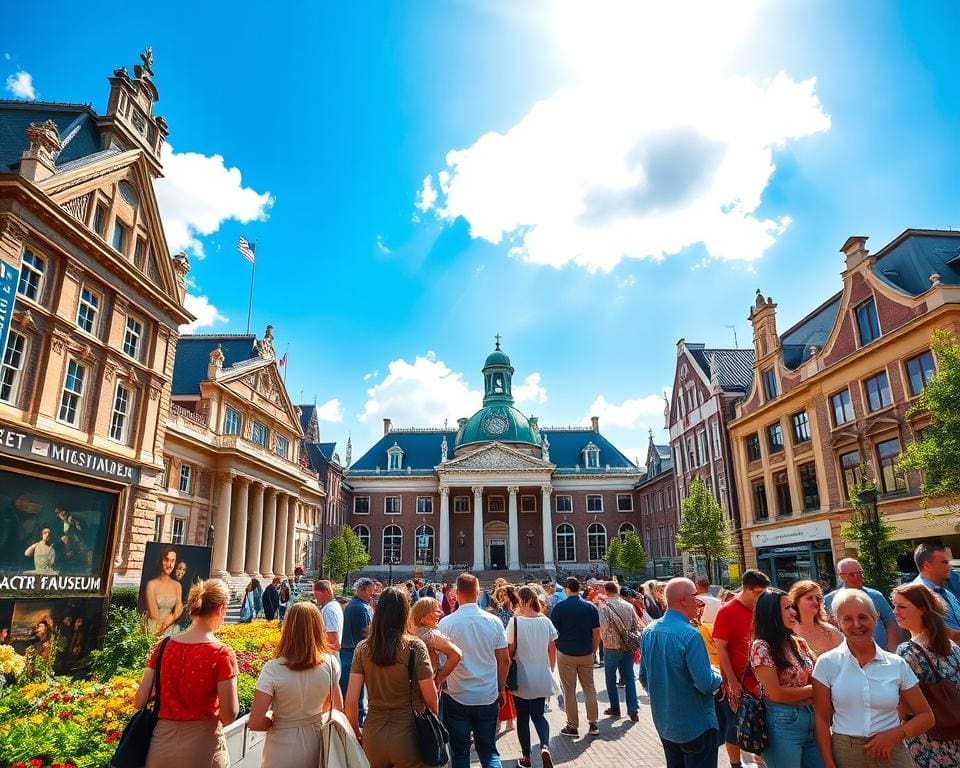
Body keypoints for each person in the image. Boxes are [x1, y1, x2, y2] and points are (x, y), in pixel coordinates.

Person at [812, 588, 933, 768]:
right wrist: (829, 763)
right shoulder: (827, 663)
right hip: (846, 752)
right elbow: (822, 718)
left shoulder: (896, 664)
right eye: (847, 619)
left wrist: (895, 735)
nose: (856, 624)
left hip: (890, 749)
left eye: (862, 617)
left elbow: (927, 716)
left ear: (875, 618)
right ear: (837, 622)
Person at [135, 578, 239, 768]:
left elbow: (139, 701)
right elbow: (229, 715)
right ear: (220, 609)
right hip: (203, 748)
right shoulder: (222, 654)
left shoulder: (163, 647)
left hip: (161, 747)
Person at [346, 587, 438, 768]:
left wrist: (356, 732)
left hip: (373, 735)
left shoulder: (363, 649)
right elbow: (431, 696)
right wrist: (432, 722)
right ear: (405, 613)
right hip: (410, 735)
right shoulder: (415, 647)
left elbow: (350, 701)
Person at [639, 578, 723, 768]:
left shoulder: (649, 631)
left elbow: (643, 676)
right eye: (695, 596)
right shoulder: (690, 634)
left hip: (665, 723)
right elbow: (705, 683)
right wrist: (719, 675)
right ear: (684, 600)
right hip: (697, 724)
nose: (699, 601)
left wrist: (664, 696)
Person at [249, 602, 343, 767]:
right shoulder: (330, 663)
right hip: (317, 744)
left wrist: (275, 721)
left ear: (287, 628)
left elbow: (255, 722)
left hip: (281, 746)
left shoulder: (273, 668)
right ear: (318, 628)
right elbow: (336, 707)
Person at [438, 573, 510, 768]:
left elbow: (441, 660)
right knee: (489, 751)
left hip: (457, 695)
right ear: (478, 593)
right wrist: (501, 688)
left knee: (460, 752)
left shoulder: (446, 623)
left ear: (457, 593)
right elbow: (504, 660)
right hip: (487, 694)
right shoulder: (494, 621)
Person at [749, 589, 823, 768]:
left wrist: (811, 692)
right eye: (788, 608)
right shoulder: (761, 647)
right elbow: (776, 694)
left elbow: (817, 676)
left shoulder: (798, 642)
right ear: (772, 613)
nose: (794, 612)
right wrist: (817, 691)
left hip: (811, 718)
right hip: (783, 722)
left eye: (793, 607)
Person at [892, 583, 960, 766]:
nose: (895, 611)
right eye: (894, 605)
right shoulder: (952, 646)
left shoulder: (908, 651)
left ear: (922, 609)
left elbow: (902, 706)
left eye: (902, 606)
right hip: (954, 732)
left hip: (928, 741)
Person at [712, 568, 770, 768]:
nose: (761, 598)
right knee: (735, 727)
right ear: (746, 589)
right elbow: (721, 648)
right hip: (738, 681)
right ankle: (735, 764)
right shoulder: (727, 611)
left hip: (761, 680)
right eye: (758, 593)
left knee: (761, 725)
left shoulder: (761, 609)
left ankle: (760, 761)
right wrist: (732, 680)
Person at [506, 586, 558, 768]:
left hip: (521, 676)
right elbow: (552, 649)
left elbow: (509, 651)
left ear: (521, 601)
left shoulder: (515, 622)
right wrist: (550, 669)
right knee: (539, 715)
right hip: (541, 674)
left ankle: (526, 757)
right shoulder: (545, 621)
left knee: (522, 718)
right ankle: (544, 746)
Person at [550, 576, 601, 737]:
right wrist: (593, 651)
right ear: (579, 589)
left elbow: (553, 633)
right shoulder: (590, 607)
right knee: (589, 687)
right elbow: (596, 633)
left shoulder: (559, 608)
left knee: (569, 690)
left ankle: (572, 725)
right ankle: (593, 723)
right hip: (586, 652)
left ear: (567, 590)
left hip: (566, 653)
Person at [824, 558, 899, 650]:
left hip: (880, 650)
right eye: (852, 574)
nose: (857, 577)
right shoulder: (829, 600)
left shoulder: (876, 596)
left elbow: (891, 621)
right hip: (848, 654)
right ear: (841, 576)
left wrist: (892, 646)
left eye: (859, 573)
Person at [598, 580, 641, 722]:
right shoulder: (628, 606)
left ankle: (615, 708)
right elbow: (636, 625)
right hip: (627, 646)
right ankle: (633, 710)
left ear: (606, 591)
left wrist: (605, 639)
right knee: (629, 677)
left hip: (611, 647)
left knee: (610, 678)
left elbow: (603, 626)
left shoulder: (603, 607)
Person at [410, 596, 462, 694]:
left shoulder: (410, 632)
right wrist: (440, 678)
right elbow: (456, 654)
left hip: (413, 687)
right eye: (436, 611)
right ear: (424, 615)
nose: (440, 613)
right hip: (429, 687)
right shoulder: (431, 635)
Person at [341, 577, 376, 725]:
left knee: (348, 695)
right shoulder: (362, 608)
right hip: (356, 655)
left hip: (346, 654)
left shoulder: (351, 605)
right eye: (371, 591)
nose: (372, 594)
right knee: (357, 699)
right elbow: (367, 634)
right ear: (363, 590)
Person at [911, 543, 960, 643]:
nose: (949, 566)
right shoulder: (917, 595)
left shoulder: (946, 593)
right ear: (927, 565)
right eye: (944, 562)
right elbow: (941, 634)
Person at [790, 580, 843, 658]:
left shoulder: (830, 632)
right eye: (809, 598)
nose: (815, 602)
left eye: (818, 598)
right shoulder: (790, 633)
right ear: (797, 601)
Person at [144, 547, 184, 636]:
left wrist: (166, 624)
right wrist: (159, 631)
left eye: (172, 561)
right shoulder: (151, 584)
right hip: (154, 629)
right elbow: (153, 614)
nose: (169, 565)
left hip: (170, 629)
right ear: (161, 561)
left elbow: (178, 609)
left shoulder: (177, 585)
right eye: (166, 560)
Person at [313, 579, 344, 650]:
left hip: (329, 652)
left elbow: (332, 637)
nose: (315, 598)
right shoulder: (334, 605)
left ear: (326, 592)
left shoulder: (328, 610)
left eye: (316, 594)